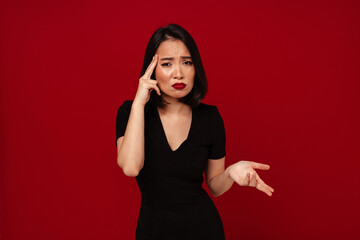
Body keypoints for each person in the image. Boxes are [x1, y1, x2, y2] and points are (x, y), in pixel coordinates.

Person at [115, 23, 274, 240]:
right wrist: (139, 102)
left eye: (187, 63)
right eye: (167, 63)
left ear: (195, 68)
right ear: (151, 70)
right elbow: (131, 167)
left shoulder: (210, 117)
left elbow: (215, 187)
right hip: (153, 231)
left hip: (204, 229)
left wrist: (229, 172)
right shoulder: (131, 112)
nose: (178, 73)